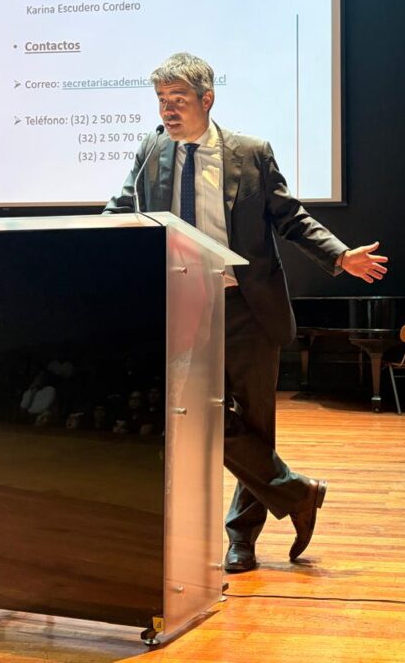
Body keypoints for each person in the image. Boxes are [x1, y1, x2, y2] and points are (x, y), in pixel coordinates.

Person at [105, 52, 388, 573]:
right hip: (182, 303)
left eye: (178, 99)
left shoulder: (250, 153)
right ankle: (297, 492)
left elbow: (290, 216)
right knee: (189, 412)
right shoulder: (151, 150)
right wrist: (86, 237)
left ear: (207, 99)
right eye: (162, 100)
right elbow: (123, 207)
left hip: (245, 305)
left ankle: (243, 539)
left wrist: (339, 255)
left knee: (256, 423)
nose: (167, 110)